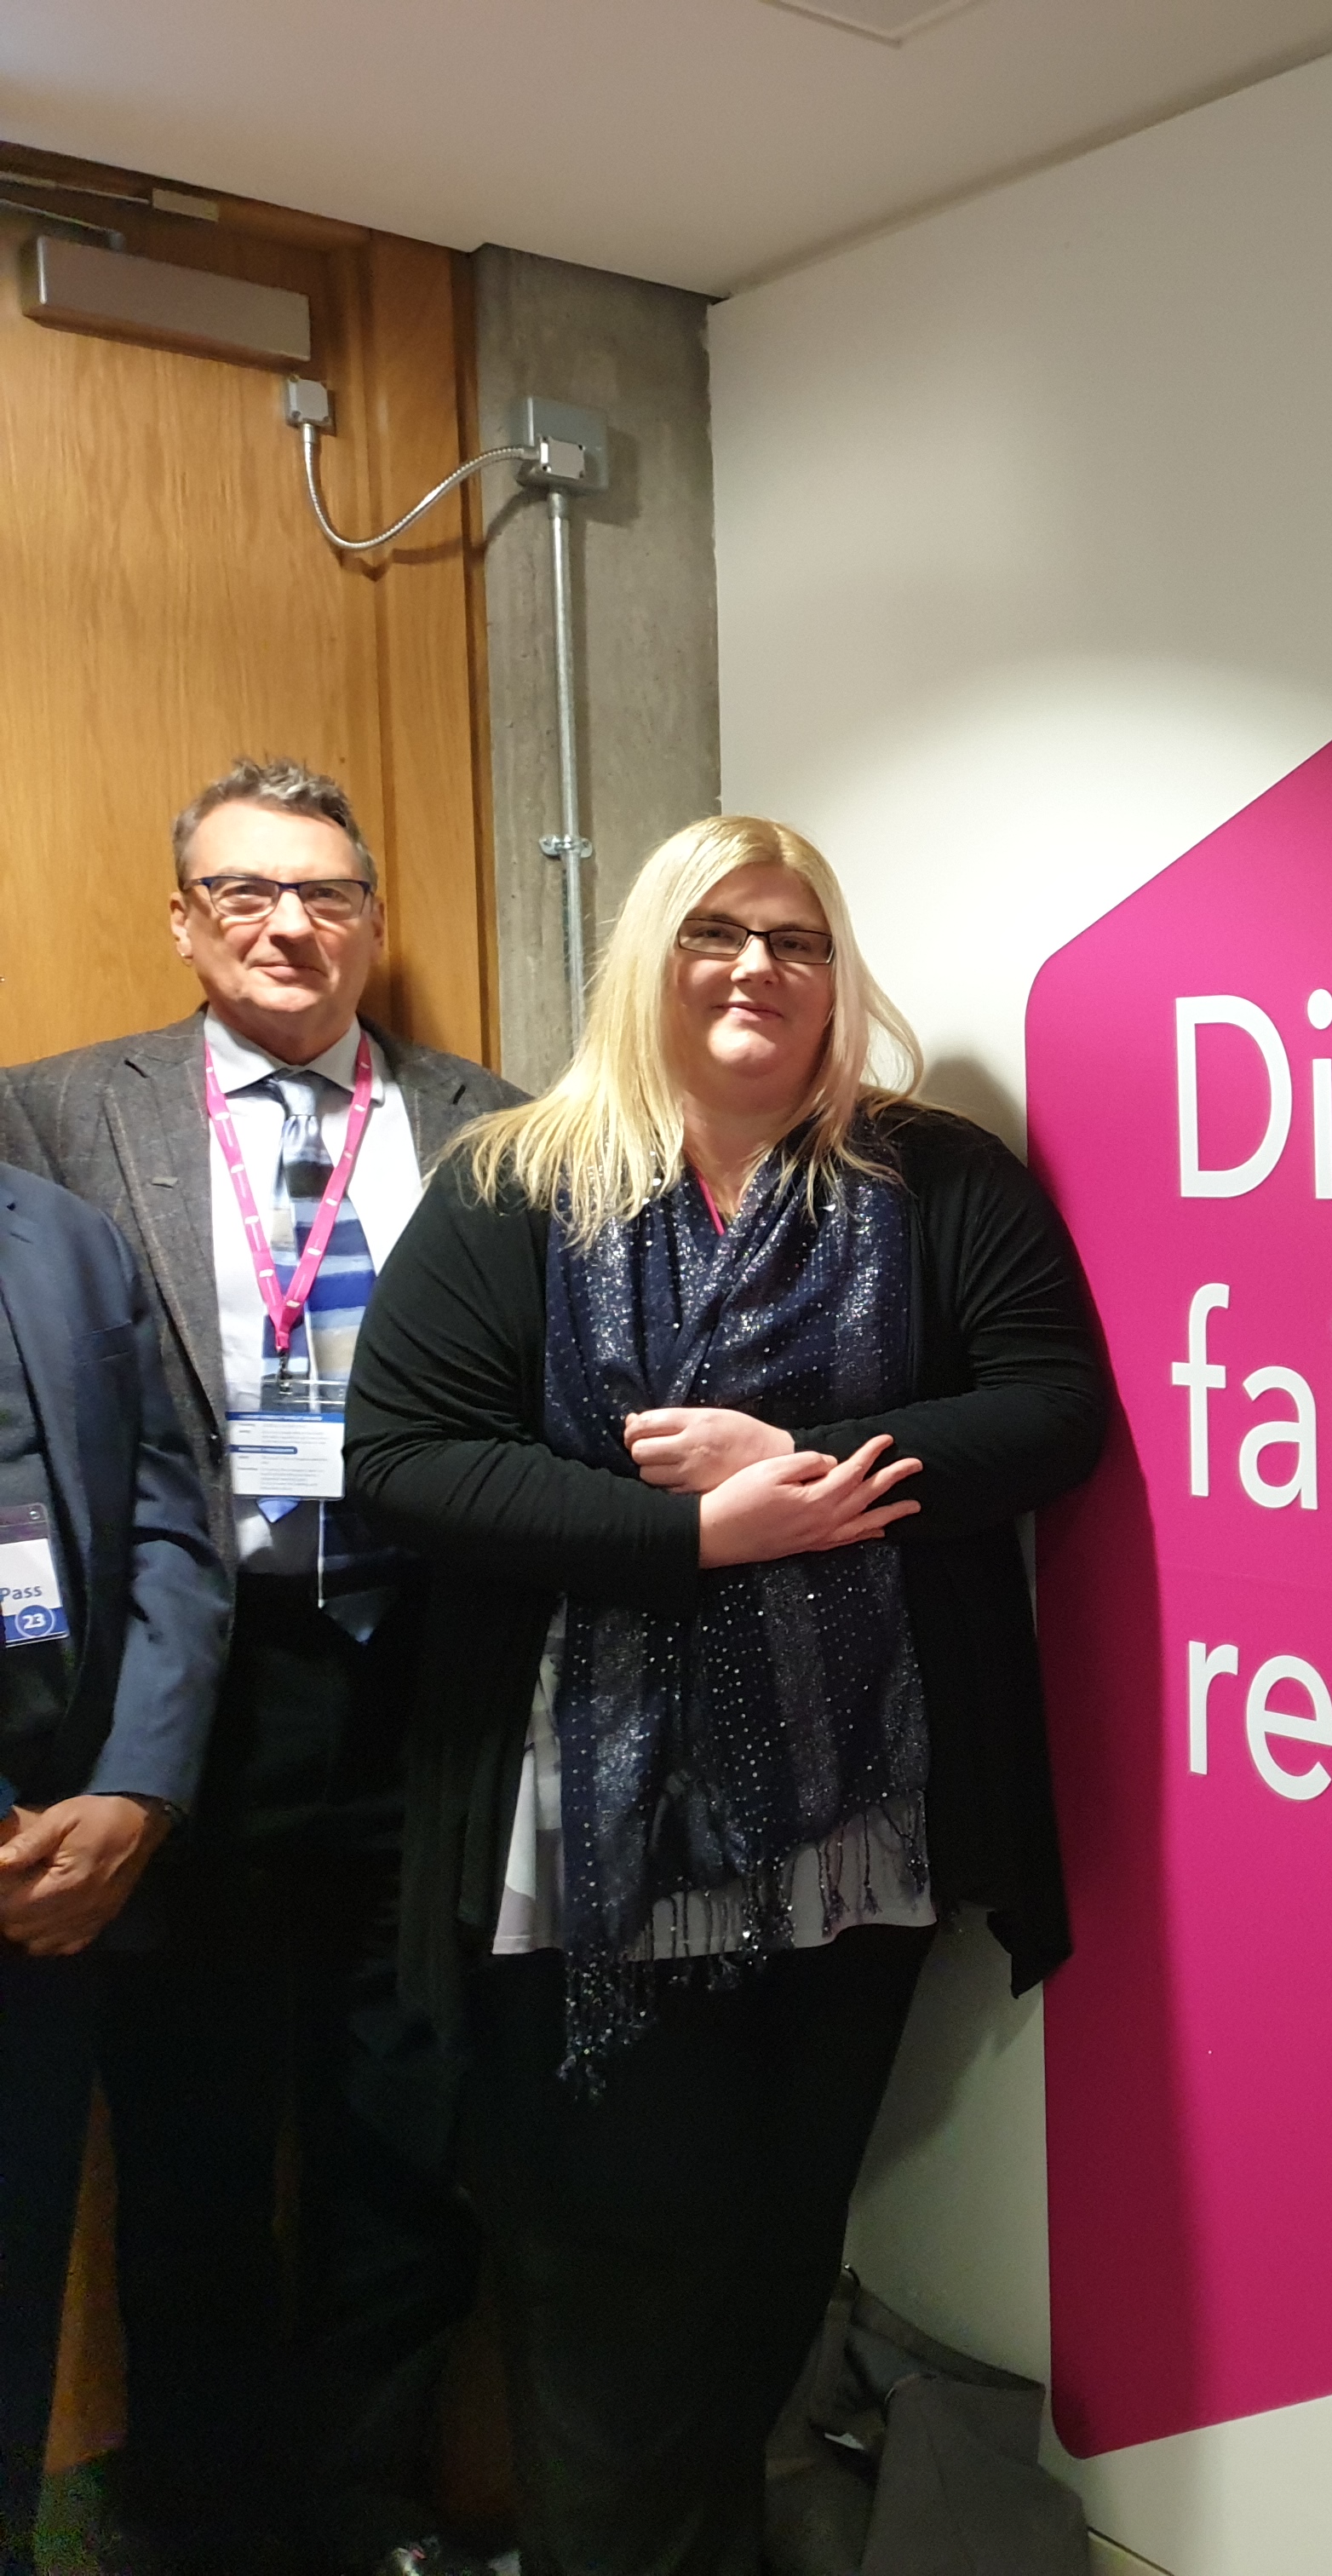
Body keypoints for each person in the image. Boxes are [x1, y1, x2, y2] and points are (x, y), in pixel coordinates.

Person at [344, 814, 1105, 2576]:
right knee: (610, 2297)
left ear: (839, 977)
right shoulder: (515, 1183)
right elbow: (409, 1460)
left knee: (769, 2262)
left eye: (796, 937)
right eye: (715, 932)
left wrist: (806, 1461)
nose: (757, 968)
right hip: (587, 1861)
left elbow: (1050, 1410)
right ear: (646, 962)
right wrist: (691, 1538)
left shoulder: (937, 1182)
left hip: (853, 1840)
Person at [6, 758, 521, 2576]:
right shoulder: (56, 1117)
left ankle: (368, 2499)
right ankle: (204, 2515)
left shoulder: (502, 1122)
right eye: (244, 894)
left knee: (406, 2116)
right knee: (191, 2131)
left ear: (375, 921)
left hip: (430, 1685)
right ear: (183, 920)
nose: (289, 926)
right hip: (184, 1700)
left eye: (324, 895)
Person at [0, 1141, 231, 2576]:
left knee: (16, 2275)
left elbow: (164, 1522)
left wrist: (137, 1790)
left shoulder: (66, 1235)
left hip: (53, 1869)